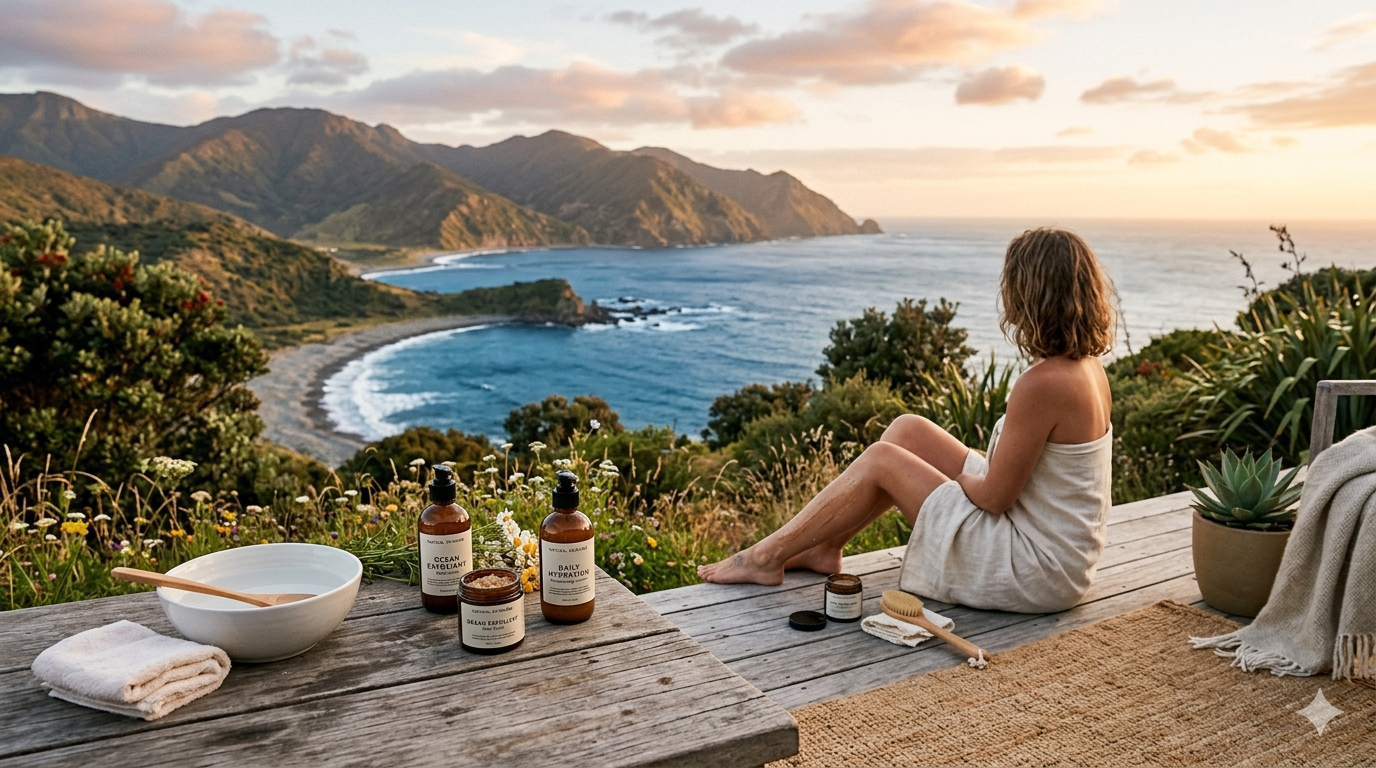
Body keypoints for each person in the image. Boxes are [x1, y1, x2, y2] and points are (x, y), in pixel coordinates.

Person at [698, 228, 1116, 613]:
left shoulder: (1041, 384)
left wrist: (956, 483)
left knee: (883, 460)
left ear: (1030, 296)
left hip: (1034, 568)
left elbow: (993, 498)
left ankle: (765, 557)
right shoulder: (1088, 370)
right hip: (1053, 549)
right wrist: (956, 475)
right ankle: (824, 546)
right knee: (907, 430)